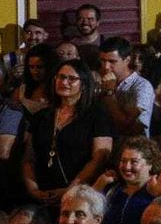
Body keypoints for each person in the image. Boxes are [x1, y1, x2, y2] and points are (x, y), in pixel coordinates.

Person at [22, 60, 114, 206]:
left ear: (84, 83)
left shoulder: (97, 115)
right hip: (41, 193)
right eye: (61, 77)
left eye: (72, 78)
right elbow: (28, 158)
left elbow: (99, 158)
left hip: (79, 194)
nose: (64, 82)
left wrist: (70, 190)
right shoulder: (42, 116)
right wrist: (33, 190)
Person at [93, 136, 161, 224]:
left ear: (150, 164)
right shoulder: (112, 190)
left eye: (134, 162)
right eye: (123, 161)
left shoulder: (158, 194)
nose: (127, 167)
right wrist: (99, 185)